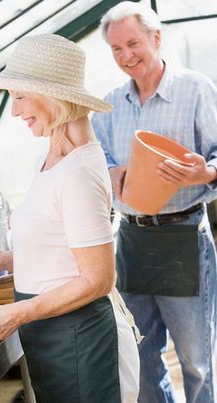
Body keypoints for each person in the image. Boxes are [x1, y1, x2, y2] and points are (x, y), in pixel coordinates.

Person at [0, 33, 140, 403]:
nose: (14, 111)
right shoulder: (50, 160)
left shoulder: (78, 170)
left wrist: (18, 312)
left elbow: (97, 278)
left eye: (20, 96)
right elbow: (66, 249)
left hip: (81, 338)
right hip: (53, 335)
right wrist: (6, 259)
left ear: (54, 95)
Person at [91, 2, 217, 403]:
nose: (127, 56)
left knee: (196, 362)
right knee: (141, 355)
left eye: (133, 44)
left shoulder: (195, 88)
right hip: (131, 242)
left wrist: (205, 173)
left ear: (156, 38)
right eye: (116, 49)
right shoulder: (108, 105)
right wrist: (111, 173)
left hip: (184, 237)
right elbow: (102, 162)